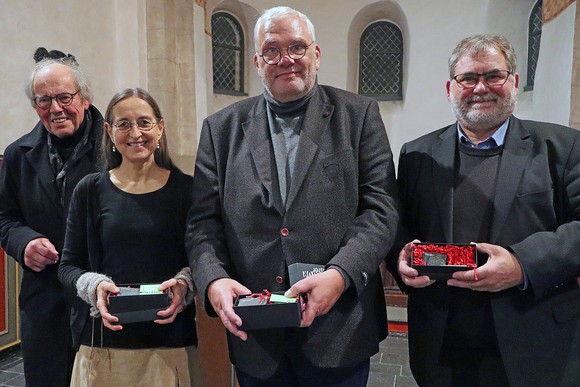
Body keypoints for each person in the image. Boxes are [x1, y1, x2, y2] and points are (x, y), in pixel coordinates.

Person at [186, 6, 399, 387]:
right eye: (272, 50)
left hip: (339, 329)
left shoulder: (358, 115)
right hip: (256, 333)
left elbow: (380, 209)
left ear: (316, 55)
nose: (286, 60)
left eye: (297, 47)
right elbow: (202, 224)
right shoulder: (221, 129)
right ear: (256, 61)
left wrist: (340, 274)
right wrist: (214, 281)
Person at [387, 34, 580, 387]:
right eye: (469, 78)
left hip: (535, 341)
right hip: (442, 344)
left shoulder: (563, 147)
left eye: (493, 76)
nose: (481, 88)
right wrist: (400, 256)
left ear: (515, 82)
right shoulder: (417, 154)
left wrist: (522, 265)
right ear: (450, 87)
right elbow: (398, 225)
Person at [58, 88, 198, 386]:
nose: (135, 132)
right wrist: (94, 286)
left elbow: (204, 258)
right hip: (103, 347)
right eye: (123, 124)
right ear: (109, 131)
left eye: (144, 122)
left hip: (169, 345)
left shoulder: (187, 190)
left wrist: (185, 284)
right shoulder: (90, 190)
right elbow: (68, 266)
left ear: (160, 127)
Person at [0, 48, 103, 386]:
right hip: (45, 301)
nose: (56, 109)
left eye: (64, 97)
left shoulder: (115, 148)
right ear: (35, 106)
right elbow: (5, 218)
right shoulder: (18, 155)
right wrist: (24, 242)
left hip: (103, 297)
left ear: (84, 98)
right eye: (44, 100)